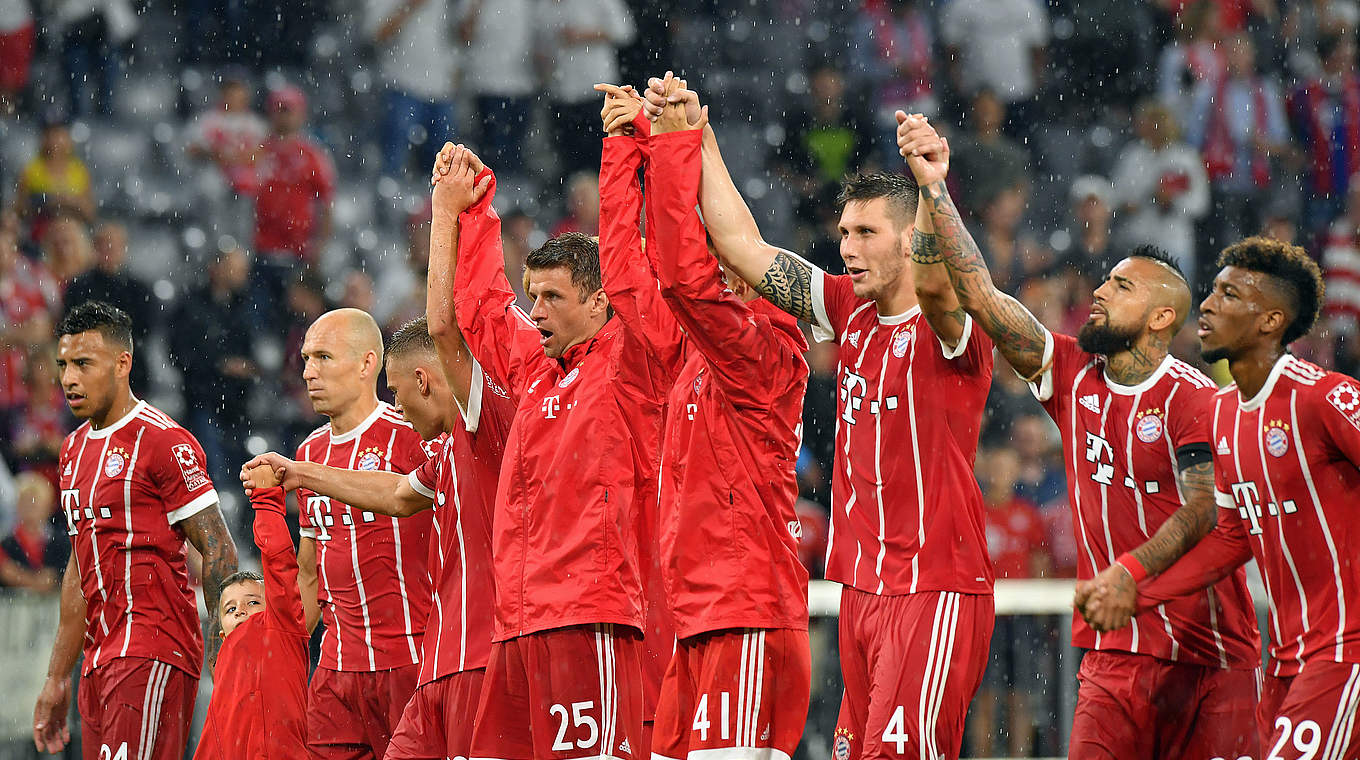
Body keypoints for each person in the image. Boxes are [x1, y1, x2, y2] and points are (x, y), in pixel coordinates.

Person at [643, 81, 996, 758]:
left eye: (866, 233)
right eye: (843, 233)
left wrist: (932, 192)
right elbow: (744, 246)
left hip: (933, 587)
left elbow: (939, 280)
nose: (848, 247)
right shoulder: (846, 311)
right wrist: (702, 141)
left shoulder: (951, 326)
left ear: (907, 240)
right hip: (861, 591)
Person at [898, 116, 1262, 758]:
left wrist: (1129, 573)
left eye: (1120, 286)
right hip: (1114, 658)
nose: (1098, 292)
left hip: (1208, 662)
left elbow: (1204, 509)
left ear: (1160, 317)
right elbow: (980, 296)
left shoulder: (1194, 397)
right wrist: (934, 188)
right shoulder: (1072, 375)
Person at [435, 131, 672, 754]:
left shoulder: (631, 362)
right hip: (518, 618)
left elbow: (631, 268)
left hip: (591, 612)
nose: (534, 310)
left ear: (600, 301)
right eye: (532, 295)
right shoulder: (537, 368)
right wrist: (476, 206)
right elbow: (482, 307)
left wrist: (624, 150)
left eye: (552, 297)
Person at [1078, 236, 1360, 756]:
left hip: (1346, 653)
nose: (1206, 305)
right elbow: (1229, 538)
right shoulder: (1225, 414)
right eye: (1212, 291)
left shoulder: (1325, 398)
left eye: (1229, 296)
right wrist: (1134, 584)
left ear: (1270, 322)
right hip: (1289, 659)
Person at [622, 82, 813, 757]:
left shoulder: (759, 354)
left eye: (731, 266)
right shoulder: (699, 357)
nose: (719, 266)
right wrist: (636, 150)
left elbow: (680, 272)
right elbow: (632, 277)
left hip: (746, 612)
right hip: (698, 613)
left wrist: (677, 146)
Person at [32, 300, 240, 759]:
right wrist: (55, 677)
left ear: (122, 363)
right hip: (98, 657)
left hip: (153, 647)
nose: (69, 378)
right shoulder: (71, 451)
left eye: (84, 364)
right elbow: (78, 572)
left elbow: (219, 550)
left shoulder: (164, 441)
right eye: (63, 364)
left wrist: (224, 655)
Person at [289, 307, 433, 760]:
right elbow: (309, 573)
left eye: (324, 357)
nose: (310, 371)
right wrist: (277, 653)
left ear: (368, 363)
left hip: (412, 662)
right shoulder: (307, 451)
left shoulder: (412, 437)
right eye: (307, 359)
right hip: (335, 672)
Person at [192, 464, 307, 760]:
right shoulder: (223, 678)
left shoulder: (283, 634)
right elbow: (209, 746)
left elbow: (279, 563)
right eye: (230, 608)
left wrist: (267, 499)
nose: (242, 610)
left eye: (254, 602)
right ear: (221, 631)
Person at [0, 472, 67, 592]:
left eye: (35, 503)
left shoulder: (60, 541)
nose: (30, 509)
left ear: (49, 506)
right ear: (17, 505)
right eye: (25, 503)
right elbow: (5, 572)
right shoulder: (6, 542)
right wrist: (37, 581)